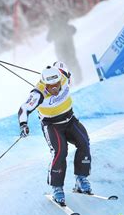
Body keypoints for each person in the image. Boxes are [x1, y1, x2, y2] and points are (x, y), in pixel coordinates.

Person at [18, 62, 91, 206]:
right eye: (50, 87)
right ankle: (57, 187)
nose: (55, 89)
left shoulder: (62, 76)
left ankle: (81, 179)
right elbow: (23, 109)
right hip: (52, 125)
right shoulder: (38, 93)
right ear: (44, 84)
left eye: (56, 84)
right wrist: (23, 124)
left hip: (70, 119)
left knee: (84, 142)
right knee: (60, 152)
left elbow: (61, 66)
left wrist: (61, 69)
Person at [46, 11, 82, 84]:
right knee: (73, 62)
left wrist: (54, 34)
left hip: (60, 49)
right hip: (69, 47)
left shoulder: (53, 27)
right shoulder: (64, 23)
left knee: (64, 65)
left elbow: (48, 39)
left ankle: (68, 83)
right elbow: (74, 30)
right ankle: (79, 80)